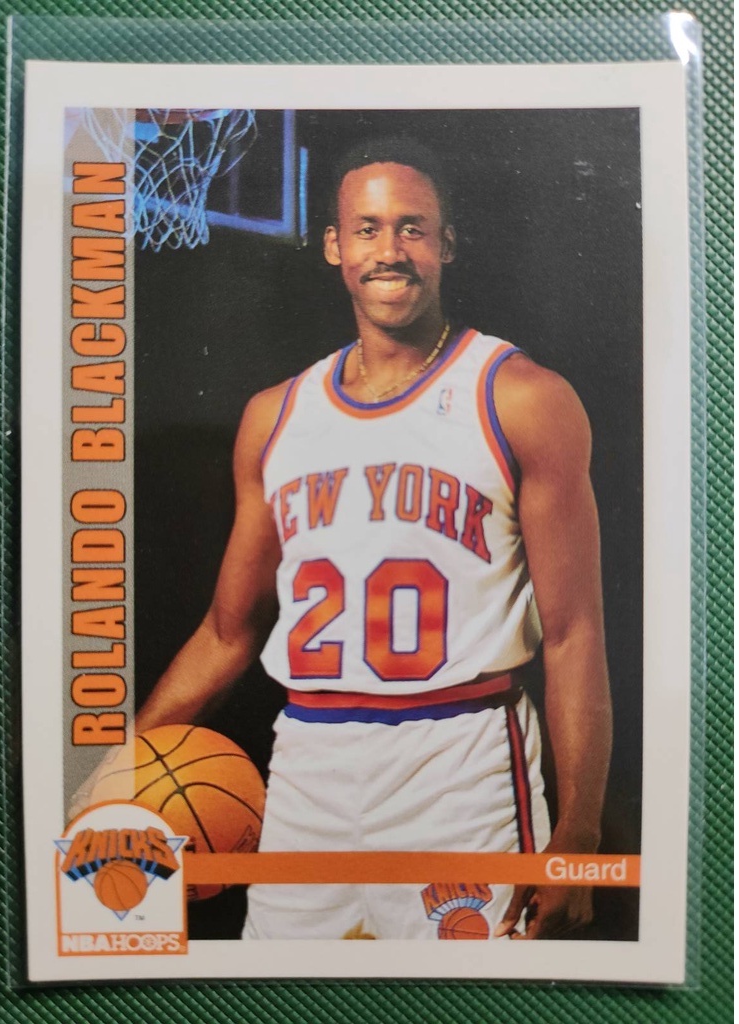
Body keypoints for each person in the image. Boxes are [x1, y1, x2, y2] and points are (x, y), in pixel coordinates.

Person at [113, 137, 611, 940]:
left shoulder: (520, 397)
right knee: (284, 993)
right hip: (307, 767)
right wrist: (106, 783)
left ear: (447, 244)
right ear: (334, 246)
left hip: (461, 765)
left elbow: (574, 632)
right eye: (368, 229)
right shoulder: (275, 416)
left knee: (471, 997)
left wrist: (579, 832)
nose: (390, 250)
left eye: (413, 228)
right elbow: (227, 632)